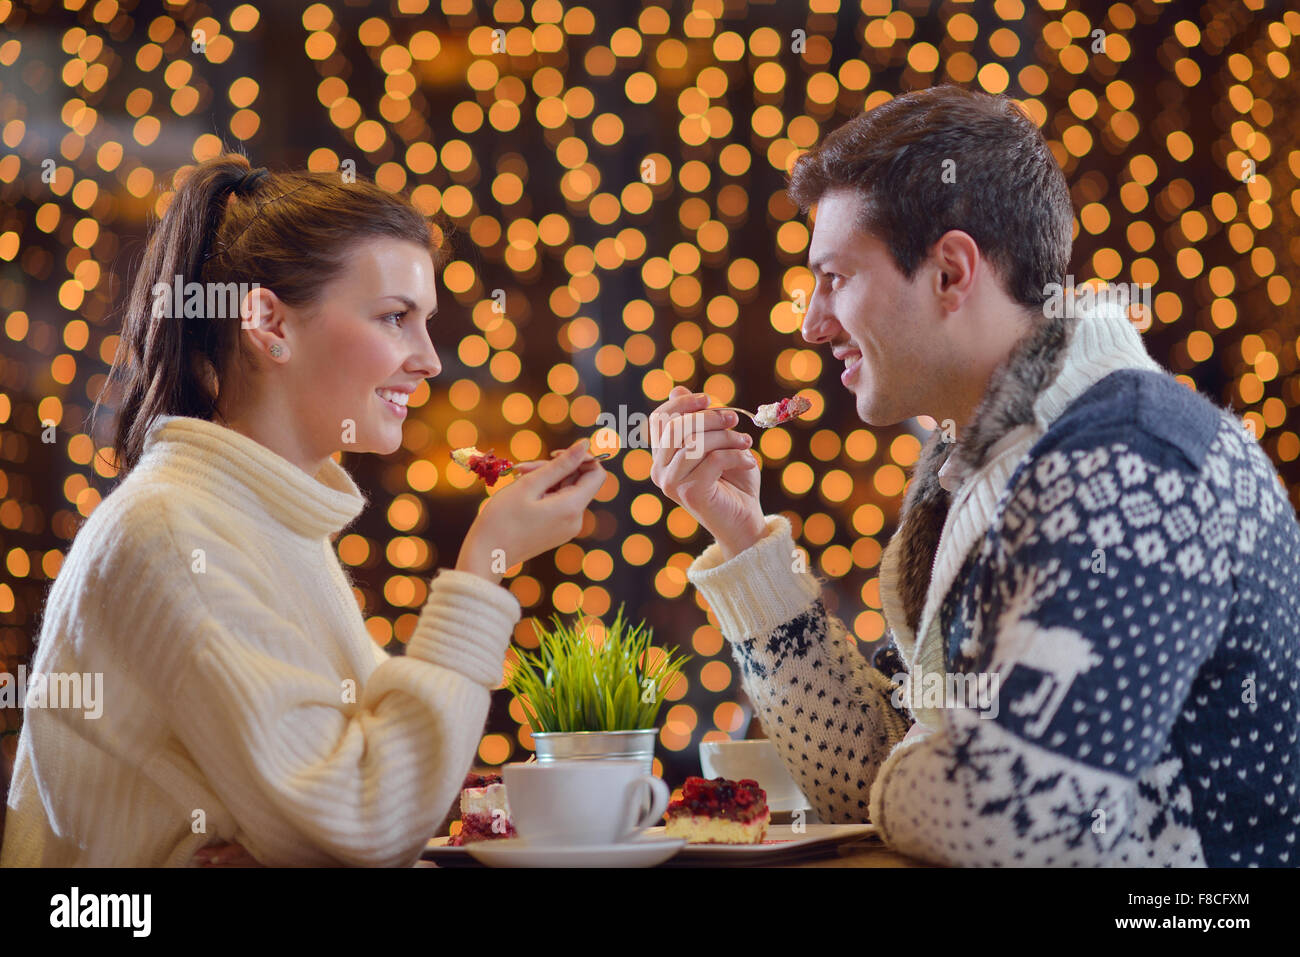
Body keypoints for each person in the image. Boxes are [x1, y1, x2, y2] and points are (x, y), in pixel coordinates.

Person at [649, 85, 1300, 866]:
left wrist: (934, 758)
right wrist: (745, 538)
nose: (811, 322)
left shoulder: (1129, 467)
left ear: (951, 272)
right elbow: (873, 783)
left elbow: (1008, 822)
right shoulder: (993, 464)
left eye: (836, 277)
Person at [1, 156, 605, 866]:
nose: (430, 359)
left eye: (425, 322)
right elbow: (366, 815)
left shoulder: (265, 518)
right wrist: (481, 569)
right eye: (394, 318)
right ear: (268, 323)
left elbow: (359, 792)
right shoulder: (173, 531)